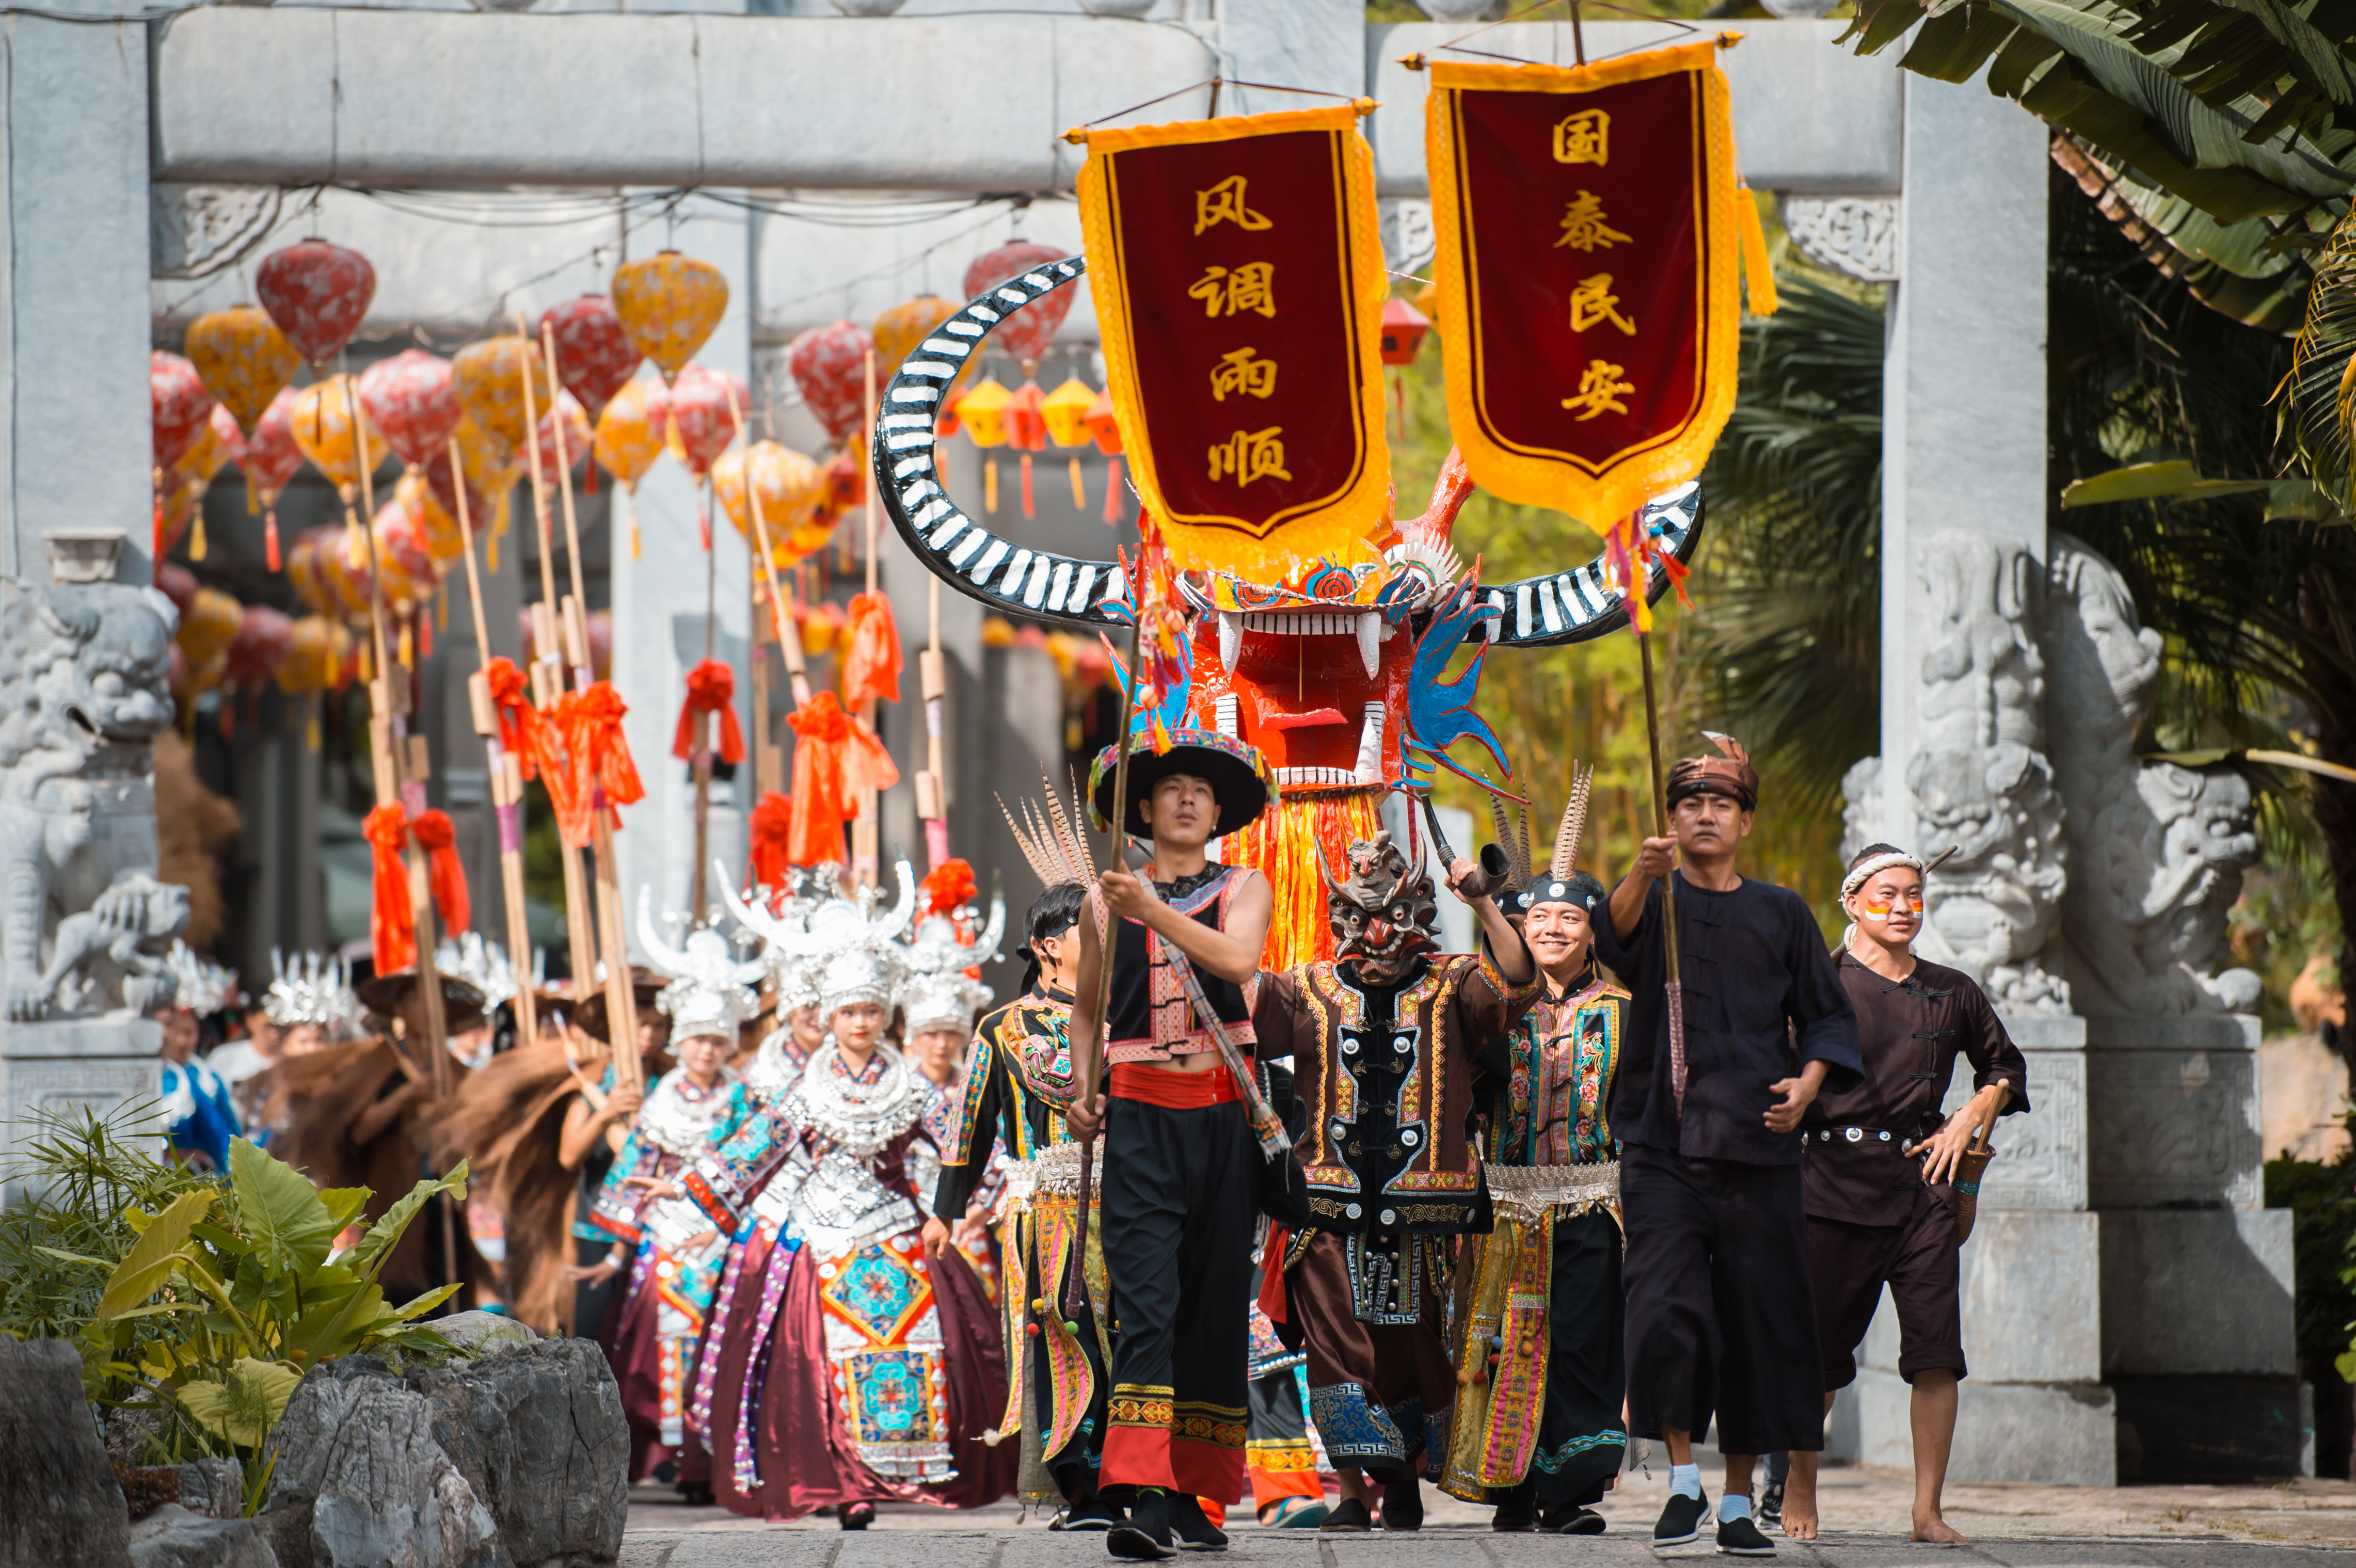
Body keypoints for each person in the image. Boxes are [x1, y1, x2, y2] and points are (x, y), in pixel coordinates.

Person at [647, 863, 1013, 1525]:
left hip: (897, 1230)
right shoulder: (804, 1088)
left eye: (873, 1009)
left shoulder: (911, 1084)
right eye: (850, 1011)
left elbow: (961, 1142)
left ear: (885, 1012)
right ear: (829, 1014)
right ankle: (845, 1481)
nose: (862, 1021)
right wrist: (687, 1189)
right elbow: (749, 1152)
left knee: (918, 1346)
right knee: (815, 1363)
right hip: (819, 1235)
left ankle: (895, 1468)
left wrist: (987, 1192)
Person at [1593, 732, 1862, 1556]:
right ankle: (1682, 1481)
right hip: (1661, 1142)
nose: (1704, 814)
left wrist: (1810, 1084)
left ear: (1745, 821)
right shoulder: (1655, 894)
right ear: (1670, 819)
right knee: (1665, 1312)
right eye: (1689, 804)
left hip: (1759, 1146)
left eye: (1720, 804)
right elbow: (1612, 943)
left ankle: (1740, 1497)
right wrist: (1641, 870)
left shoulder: (1782, 911)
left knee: (1760, 1322)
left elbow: (1827, 1015)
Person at [1252, 829, 1538, 1534]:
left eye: (1395, 915)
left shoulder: (1454, 981)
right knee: (1333, 1349)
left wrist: (1487, 903)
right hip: (1324, 1203)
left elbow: (1519, 981)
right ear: (1338, 916)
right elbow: (1245, 1016)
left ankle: (1404, 1478)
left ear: (1420, 914)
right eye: (1359, 917)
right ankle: (1353, 1491)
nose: (1377, 935)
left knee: (1412, 1348)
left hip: (1425, 1206)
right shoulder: (1307, 986)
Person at [1063, 730, 1281, 1561]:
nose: (1188, 799)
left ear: (1219, 813)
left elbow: (1238, 958)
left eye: (1202, 790)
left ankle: (1198, 1494)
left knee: (1213, 1303)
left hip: (1224, 1114)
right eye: (1171, 789)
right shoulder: (1098, 901)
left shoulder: (1245, 885)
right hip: (1142, 1118)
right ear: (1144, 810)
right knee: (1147, 1301)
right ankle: (1141, 1493)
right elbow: (1087, 1010)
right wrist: (1082, 1092)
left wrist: (1151, 909)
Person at [1779, 844, 2030, 1545]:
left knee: (1936, 1352)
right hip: (1829, 1185)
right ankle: (1801, 1481)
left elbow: (2004, 1065)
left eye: (1914, 894)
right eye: (1886, 893)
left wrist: (1969, 1115)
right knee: (1820, 1355)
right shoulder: (1817, 984)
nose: (1902, 906)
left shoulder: (1953, 989)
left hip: (1926, 1190)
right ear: (1853, 901)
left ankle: (1927, 1510)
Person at [1442, 775, 1630, 1534]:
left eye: (1569, 917)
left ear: (1591, 931)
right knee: (1500, 1338)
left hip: (1591, 1198)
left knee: (1581, 1341)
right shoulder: (1489, 1008)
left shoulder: (1624, 1011)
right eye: (1539, 916)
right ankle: (1510, 1486)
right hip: (1506, 1202)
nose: (1552, 928)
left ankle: (1570, 1488)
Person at [931, 801, 1115, 1529]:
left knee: (1134, 1334)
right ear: (1045, 946)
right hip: (1050, 1209)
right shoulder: (1002, 1029)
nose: (1102, 941)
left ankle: (1136, 1476)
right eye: (1086, 929)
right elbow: (966, 1132)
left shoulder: (1128, 1014)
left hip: (1132, 1200)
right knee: (1063, 1333)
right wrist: (944, 1212)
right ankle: (1082, 1482)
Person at [588, 952, 758, 1498]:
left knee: (722, 1340)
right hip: (663, 1231)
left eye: (716, 1039)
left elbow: (754, 1168)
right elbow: (637, 1169)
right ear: (681, 1041)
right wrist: (617, 1250)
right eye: (696, 1038)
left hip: (724, 1232)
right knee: (649, 1346)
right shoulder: (660, 1096)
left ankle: (710, 1457)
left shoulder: (743, 1097)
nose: (706, 1049)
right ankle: (665, 1450)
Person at [158, 1007, 238, 1171]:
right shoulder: (152, 1074)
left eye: (188, 1033)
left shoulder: (206, 1079)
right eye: (173, 1030)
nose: (181, 1041)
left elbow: (224, 1133)